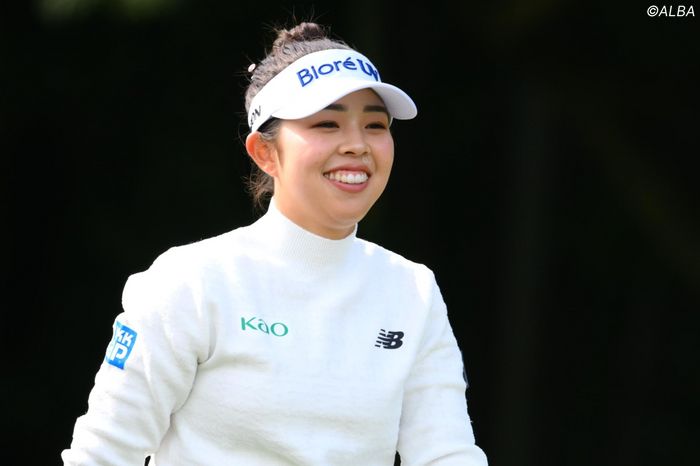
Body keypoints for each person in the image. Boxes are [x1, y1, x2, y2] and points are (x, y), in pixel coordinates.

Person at [62, 21, 488, 466]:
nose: (357, 145)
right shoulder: (192, 282)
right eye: (327, 123)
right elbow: (102, 454)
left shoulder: (412, 292)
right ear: (265, 152)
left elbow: (447, 454)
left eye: (375, 125)